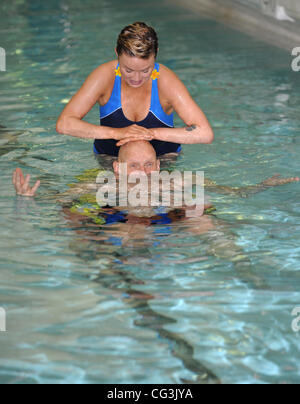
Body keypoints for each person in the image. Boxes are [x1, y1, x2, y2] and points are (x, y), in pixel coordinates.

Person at [56, 22, 214, 157]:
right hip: (109, 163)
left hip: (162, 165)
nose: (137, 79)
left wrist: (150, 134)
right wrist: (117, 133)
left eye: (146, 71)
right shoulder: (104, 76)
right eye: (128, 70)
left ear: (155, 54)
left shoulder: (166, 81)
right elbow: (65, 124)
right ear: (117, 53)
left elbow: (204, 133)